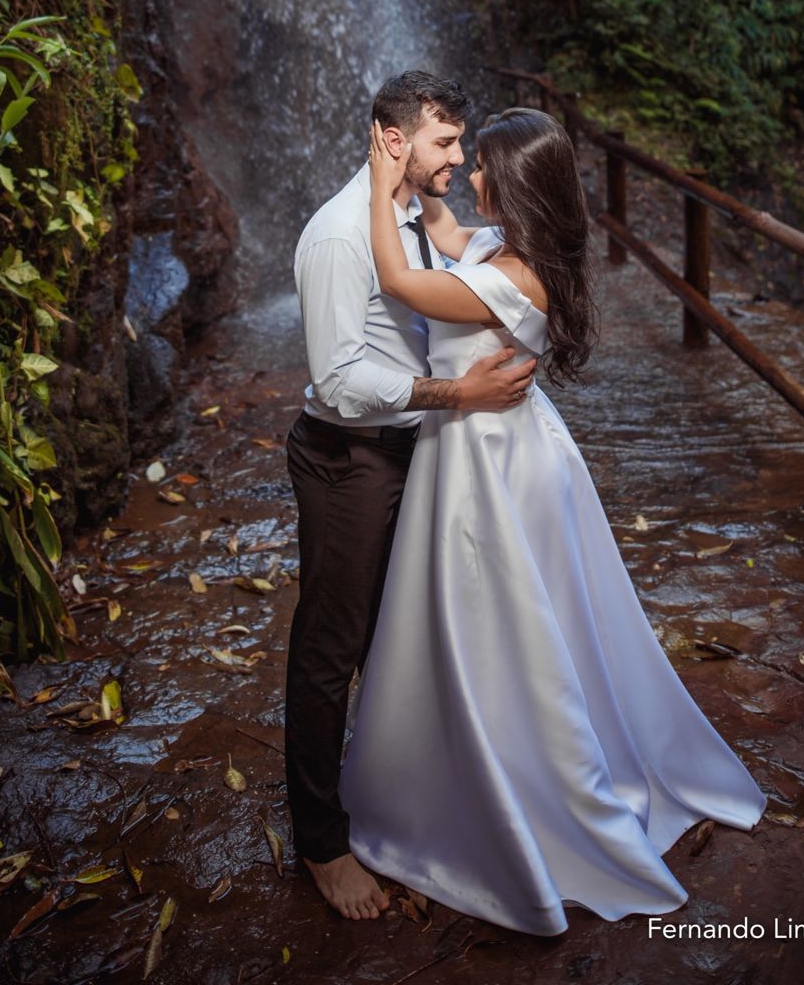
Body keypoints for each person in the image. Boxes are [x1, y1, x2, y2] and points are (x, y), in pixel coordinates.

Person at [339, 107, 768, 936]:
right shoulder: (510, 251)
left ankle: (522, 788)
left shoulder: (513, 278)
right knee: (521, 626)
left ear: (516, 184)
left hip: (490, 464)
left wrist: (376, 178)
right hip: (503, 449)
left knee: (496, 627)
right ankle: (496, 763)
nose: (467, 172)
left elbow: (399, 281)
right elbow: (448, 227)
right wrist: (418, 180)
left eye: (480, 163)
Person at [284, 73, 538, 922]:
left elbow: (473, 273)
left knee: (407, 640)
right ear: (392, 140)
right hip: (350, 461)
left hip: (420, 455)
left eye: (464, 144)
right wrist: (457, 398)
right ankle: (320, 845)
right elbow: (342, 380)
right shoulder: (337, 239)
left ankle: (407, 806)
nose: (458, 160)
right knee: (330, 651)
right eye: (444, 143)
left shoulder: (418, 223)